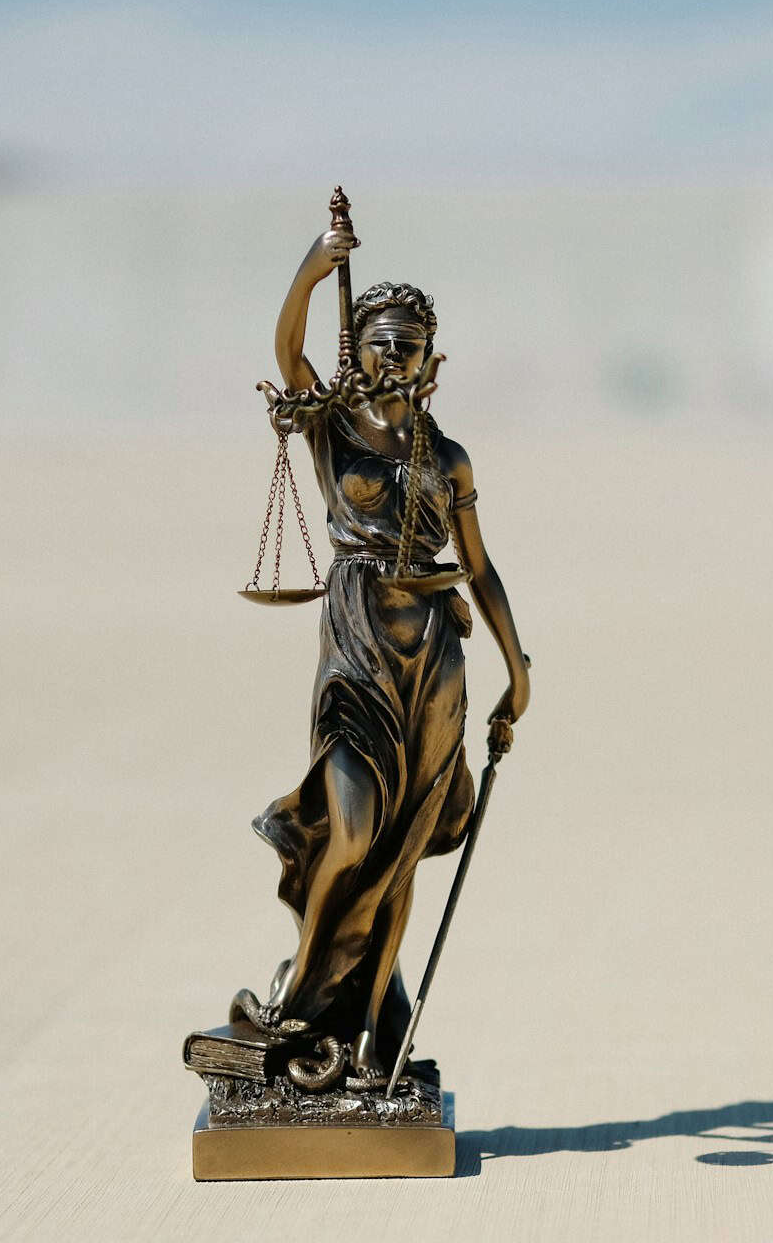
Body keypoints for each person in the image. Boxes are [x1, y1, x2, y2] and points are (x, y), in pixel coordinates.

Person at [232, 222, 531, 1088]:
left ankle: (368, 1029)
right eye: (381, 343)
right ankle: (302, 996)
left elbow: (479, 568)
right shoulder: (331, 424)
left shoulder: (447, 456)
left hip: (433, 659)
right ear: (356, 350)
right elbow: (287, 352)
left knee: (399, 851)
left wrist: (519, 670)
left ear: (431, 359)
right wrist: (311, 268)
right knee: (354, 826)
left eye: (410, 346)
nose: (395, 357)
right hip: (358, 644)